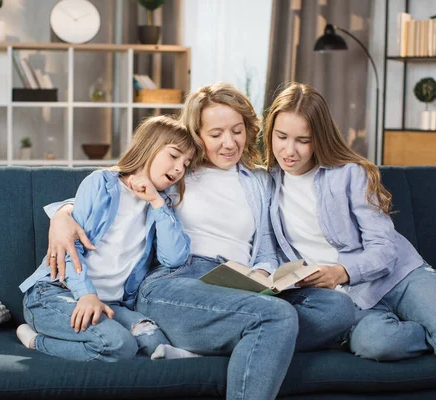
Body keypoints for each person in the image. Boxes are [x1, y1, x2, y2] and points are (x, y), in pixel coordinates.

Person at [47, 83, 305, 400]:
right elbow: (119, 185)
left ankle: (237, 334)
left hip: (237, 283)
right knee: (278, 317)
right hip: (177, 280)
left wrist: (263, 274)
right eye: (216, 134)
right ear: (196, 135)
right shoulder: (178, 171)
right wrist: (62, 215)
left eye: (237, 131)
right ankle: (255, 332)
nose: (229, 143)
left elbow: (265, 246)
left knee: (336, 309)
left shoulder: (259, 181)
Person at [262, 82, 436, 399]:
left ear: (319, 139)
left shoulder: (350, 173)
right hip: (350, 300)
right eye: (281, 137)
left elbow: (385, 249)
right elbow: (268, 250)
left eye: (303, 140)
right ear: (270, 133)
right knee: (378, 344)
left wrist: (342, 272)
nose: (289, 150)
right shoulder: (266, 184)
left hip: (401, 276)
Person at [16, 116, 201, 363]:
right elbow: (72, 247)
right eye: (174, 156)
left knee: (153, 340)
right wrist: (85, 295)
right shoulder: (101, 184)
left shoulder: (162, 205)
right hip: (56, 293)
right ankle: (34, 340)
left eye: (186, 163)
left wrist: (156, 202)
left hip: (111, 303)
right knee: (119, 345)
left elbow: (174, 258)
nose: (180, 168)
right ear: (149, 146)